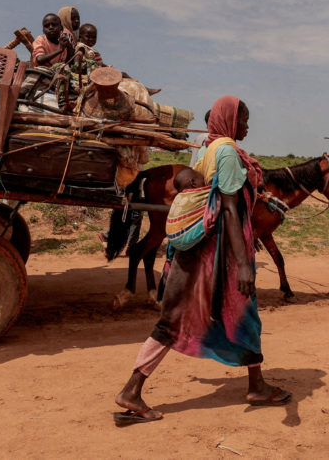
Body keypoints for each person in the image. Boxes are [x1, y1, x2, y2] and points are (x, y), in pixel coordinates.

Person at [114, 96, 290, 425]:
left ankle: (256, 384)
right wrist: (241, 263)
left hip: (207, 251)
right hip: (217, 255)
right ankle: (132, 390)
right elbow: (227, 208)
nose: (248, 126)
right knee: (179, 321)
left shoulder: (209, 148)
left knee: (241, 316)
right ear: (229, 121)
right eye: (244, 119)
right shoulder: (225, 152)